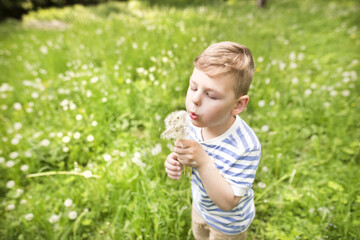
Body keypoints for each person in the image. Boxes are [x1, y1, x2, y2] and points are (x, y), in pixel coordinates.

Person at [164, 41, 261, 240]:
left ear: (238, 105)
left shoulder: (246, 147)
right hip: (200, 207)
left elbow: (228, 202)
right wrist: (176, 160)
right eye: (193, 87)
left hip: (228, 224)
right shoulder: (192, 122)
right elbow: (189, 157)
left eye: (211, 95)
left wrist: (202, 160)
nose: (196, 100)